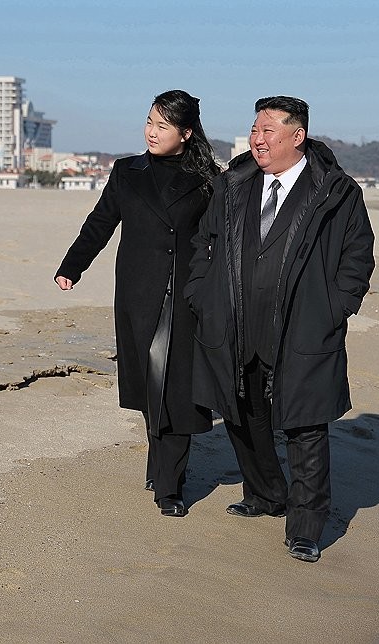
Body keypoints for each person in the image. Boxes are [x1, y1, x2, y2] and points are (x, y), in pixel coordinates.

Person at [185, 95, 375, 562]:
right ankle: (266, 494)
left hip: (303, 324)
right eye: (254, 129)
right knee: (240, 410)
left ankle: (306, 527)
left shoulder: (337, 190)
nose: (257, 139)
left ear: (298, 136)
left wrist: (334, 308)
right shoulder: (235, 183)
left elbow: (358, 255)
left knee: (304, 425)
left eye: (268, 130)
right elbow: (205, 242)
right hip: (234, 320)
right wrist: (200, 292)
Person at [55, 90, 220, 517]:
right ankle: (159, 461)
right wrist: (73, 265)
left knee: (177, 388)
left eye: (163, 125)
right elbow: (101, 222)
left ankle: (170, 485)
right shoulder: (127, 171)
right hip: (138, 293)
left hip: (185, 296)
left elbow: (221, 240)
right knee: (150, 384)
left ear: (185, 133)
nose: (152, 131)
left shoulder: (207, 180)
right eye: (150, 121)